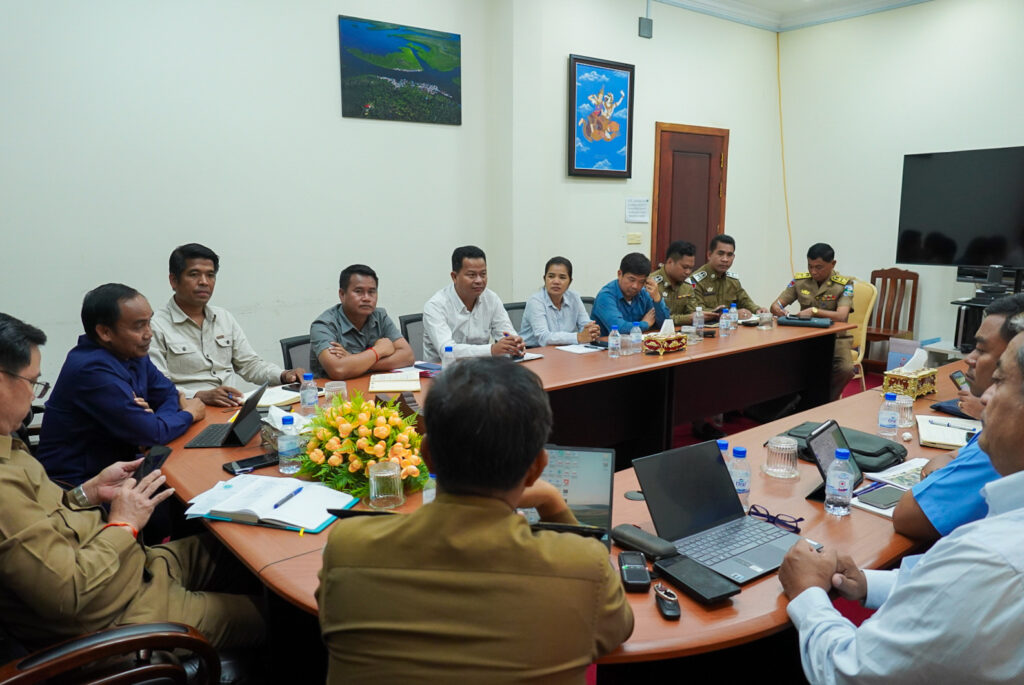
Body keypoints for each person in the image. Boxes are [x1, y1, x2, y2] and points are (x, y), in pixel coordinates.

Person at [317, 357, 633, 683]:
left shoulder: (347, 548)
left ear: (426, 456)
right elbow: (618, 629)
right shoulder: (584, 566)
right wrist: (553, 501)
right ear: (537, 468)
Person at [0, 312, 266, 651]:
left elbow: (47, 518)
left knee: (244, 551)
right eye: (32, 383)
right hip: (118, 614)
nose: (34, 396)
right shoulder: (3, 486)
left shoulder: (11, 448)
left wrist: (86, 493)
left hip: (133, 566)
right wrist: (124, 524)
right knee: (282, 616)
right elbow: (69, 594)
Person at [778, 324, 1024, 684]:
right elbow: (948, 593)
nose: (985, 397)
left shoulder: (991, 557)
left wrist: (808, 595)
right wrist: (866, 583)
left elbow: (846, 673)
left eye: (1000, 382)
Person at [36, 284, 205, 487]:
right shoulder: (91, 370)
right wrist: (189, 414)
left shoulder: (132, 352)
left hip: (123, 467)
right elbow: (153, 433)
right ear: (105, 332)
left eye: (149, 322)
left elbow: (168, 394)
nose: (149, 334)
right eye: (138, 326)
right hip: (80, 485)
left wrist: (155, 421)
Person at [890, 294, 1024, 542]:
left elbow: (908, 516)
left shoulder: (1008, 443)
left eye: (981, 350)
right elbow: (954, 456)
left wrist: (936, 479)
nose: (969, 358)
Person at [149, 243, 304, 407]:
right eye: (194, 274)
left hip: (232, 407)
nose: (204, 282)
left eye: (210, 275)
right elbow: (157, 386)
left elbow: (250, 365)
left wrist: (284, 375)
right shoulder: (155, 326)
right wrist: (199, 395)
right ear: (174, 280)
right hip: (187, 410)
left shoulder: (223, 318)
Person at [769, 243, 855, 401]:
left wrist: (814, 311)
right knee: (776, 362)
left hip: (835, 339)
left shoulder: (844, 284)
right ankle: (794, 403)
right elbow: (776, 305)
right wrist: (779, 310)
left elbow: (841, 316)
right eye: (810, 266)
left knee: (846, 369)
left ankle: (826, 401)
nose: (813, 271)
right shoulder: (801, 281)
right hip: (804, 337)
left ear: (833, 264)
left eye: (819, 267)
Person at [422, 245, 524, 362]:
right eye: (472, 275)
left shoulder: (491, 299)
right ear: (454, 277)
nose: (479, 280)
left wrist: (514, 343)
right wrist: (491, 350)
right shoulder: (436, 306)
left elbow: (506, 333)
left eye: (483, 274)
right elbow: (447, 349)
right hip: (443, 370)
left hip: (480, 368)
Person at [309, 264, 414, 379]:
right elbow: (338, 369)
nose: (366, 298)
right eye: (358, 291)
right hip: (335, 389)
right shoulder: (324, 325)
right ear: (342, 294)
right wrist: (378, 351)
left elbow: (407, 356)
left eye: (371, 292)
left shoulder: (380, 316)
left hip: (370, 384)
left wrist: (354, 361)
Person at [520, 256, 600, 347]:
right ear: (544, 279)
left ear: (570, 281)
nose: (556, 281)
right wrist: (578, 337)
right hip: (534, 350)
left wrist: (591, 331)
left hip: (563, 349)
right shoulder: (535, 301)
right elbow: (543, 337)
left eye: (562, 277)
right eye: (551, 276)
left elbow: (585, 325)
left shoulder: (574, 297)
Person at [689, 234, 766, 319]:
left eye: (729, 255)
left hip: (730, 326)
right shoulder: (696, 280)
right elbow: (698, 311)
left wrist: (758, 310)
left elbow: (745, 301)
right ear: (709, 255)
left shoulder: (732, 281)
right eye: (720, 254)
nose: (725, 259)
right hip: (706, 325)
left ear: (733, 257)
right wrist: (731, 314)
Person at [592, 252, 670, 335]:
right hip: (609, 343)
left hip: (639, 341)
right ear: (619, 274)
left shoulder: (644, 293)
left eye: (641, 281)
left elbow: (665, 326)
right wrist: (645, 323)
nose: (635, 286)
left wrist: (657, 298)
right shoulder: (605, 296)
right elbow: (619, 328)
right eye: (631, 279)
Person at [650, 240, 698, 326]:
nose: (688, 272)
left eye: (691, 268)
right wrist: (686, 319)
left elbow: (693, 314)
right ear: (670, 262)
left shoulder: (687, 285)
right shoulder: (652, 283)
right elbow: (654, 318)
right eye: (685, 267)